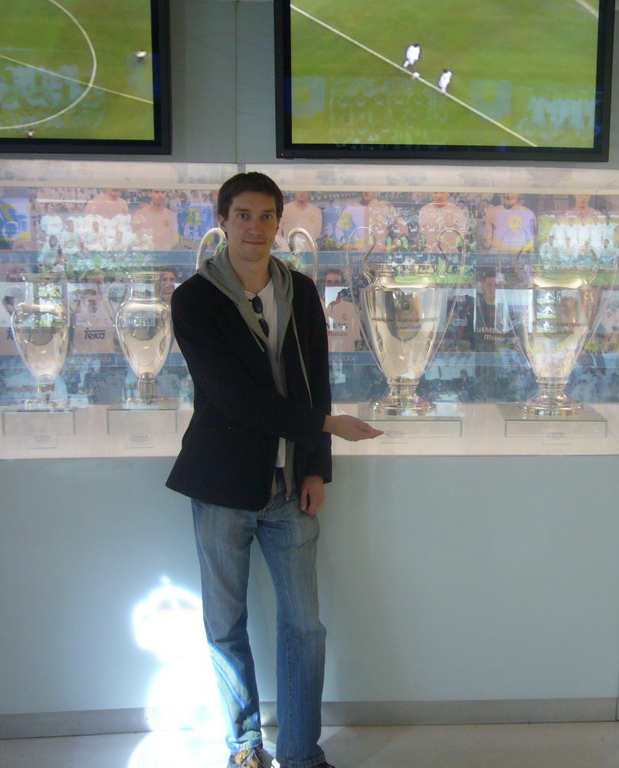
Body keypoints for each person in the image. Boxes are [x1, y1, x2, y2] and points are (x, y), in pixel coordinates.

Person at [165, 172, 382, 768]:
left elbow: (316, 380)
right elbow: (233, 397)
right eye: (242, 216)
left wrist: (316, 467)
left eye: (265, 217)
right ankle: (243, 746)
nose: (254, 228)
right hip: (221, 487)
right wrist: (329, 427)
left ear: (278, 223)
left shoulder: (302, 291)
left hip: (291, 490)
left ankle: (300, 753)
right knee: (225, 626)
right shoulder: (194, 299)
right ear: (223, 221)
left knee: (304, 629)